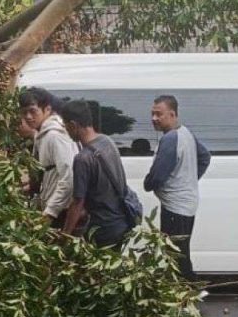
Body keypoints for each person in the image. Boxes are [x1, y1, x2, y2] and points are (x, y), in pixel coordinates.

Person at [143, 94, 210, 279]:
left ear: (172, 114)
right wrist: (189, 180)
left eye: (159, 114)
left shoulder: (170, 139)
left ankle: (190, 289)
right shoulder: (186, 133)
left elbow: (157, 176)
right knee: (180, 250)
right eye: (152, 114)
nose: (154, 118)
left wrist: (147, 183)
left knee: (176, 254)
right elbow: (205, 157)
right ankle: (185, 289)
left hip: (175, 205)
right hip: (185, 202)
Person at [59, 99, 130, 248]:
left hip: (101, 229)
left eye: (66, 127)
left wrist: (65, 236)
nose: (66, 132)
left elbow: (78, 203)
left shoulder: (82, 159)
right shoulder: (107, 141)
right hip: (120, 222)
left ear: (73, 125)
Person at [19, 88, 78, 228]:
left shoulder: (55, 136)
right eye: (24, 112)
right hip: (53, 208)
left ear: (47, 109)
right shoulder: (42, 135)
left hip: (60, 212)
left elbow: (69, 177)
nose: (28, 117)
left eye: (33, 111)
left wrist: (50, 212)